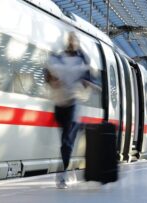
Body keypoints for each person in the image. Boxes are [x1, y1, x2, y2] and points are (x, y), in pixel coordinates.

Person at [45, 31, 93, 189]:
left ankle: (62, 174)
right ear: (67, 42)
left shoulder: (82, 59)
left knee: (66, 141)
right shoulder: (57, 58)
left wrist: (86, 82)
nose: (72, 42)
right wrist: (53, 80)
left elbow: (90, 78)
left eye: (75, 40)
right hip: (59, 103)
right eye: (70, 40)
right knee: (66, 140)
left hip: (73, 102)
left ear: (77, 43)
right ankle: (68, 168)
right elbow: (47, 74)